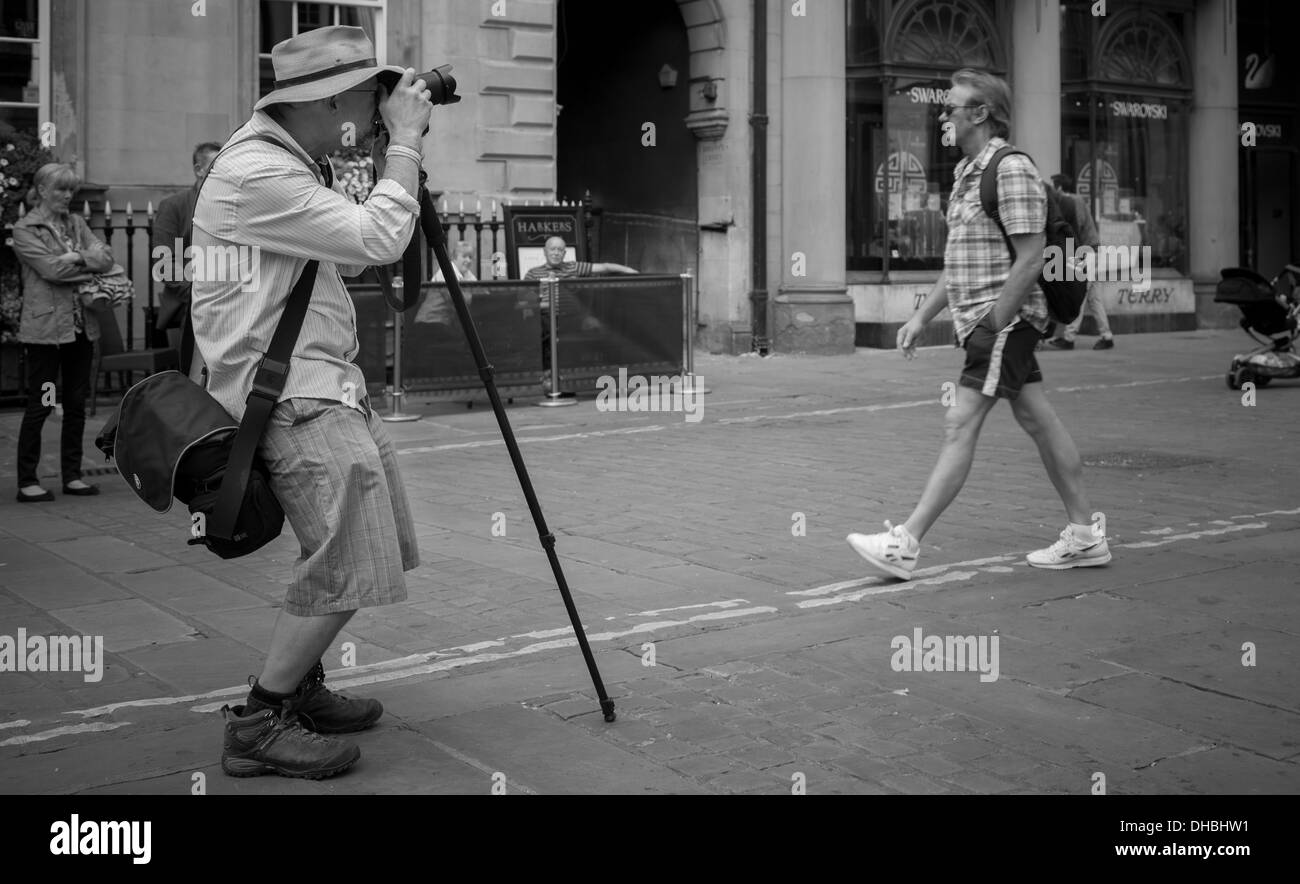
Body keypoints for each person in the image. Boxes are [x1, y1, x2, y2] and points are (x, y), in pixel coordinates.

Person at [191, 25, 433, 778]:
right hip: (294, 395)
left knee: (363, 546)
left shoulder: (288, 162)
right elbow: (380, 235)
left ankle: (302, 685)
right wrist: (408, 142)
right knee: (347, 555)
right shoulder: (259, 173)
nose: (377, 107)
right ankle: (259, 719)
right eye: (369, 95)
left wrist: (405, 145)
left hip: (321, 386)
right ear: (327, 100)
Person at [846, 68, 1110, 578]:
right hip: (985, 322)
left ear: (981, 113)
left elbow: (1032, 258)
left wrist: (994, 323)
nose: (943, 114)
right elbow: (960, 262)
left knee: (959, 423)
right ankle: (1084, 534)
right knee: (1038, 419)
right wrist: (923, 315)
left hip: (1004, 322)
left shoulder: (1009, 170)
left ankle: (905, 542)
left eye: (952, 106)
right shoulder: (968, 173)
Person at [12, 163, 118, 502]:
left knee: (75, 403)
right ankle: (28, 480)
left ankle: (72, 475)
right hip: (45, 333)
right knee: (42, 403)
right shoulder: (26, 229)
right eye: (61, 189)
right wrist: (84, 261)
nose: (68, 196)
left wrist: (76, 258)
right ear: (42, 189)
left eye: (71, 189)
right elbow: (51, 270)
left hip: (80, 329)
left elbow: (108, 259)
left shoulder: (76, 222)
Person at [152, 141, 222, 374]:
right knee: (192, 379)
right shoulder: (173, 206)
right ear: (198, 169)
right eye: (215, 165)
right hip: (187, 307)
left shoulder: (230, 204)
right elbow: (163, 264)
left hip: (229, 305)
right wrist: (199, 293)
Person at [1044, 173, 1113, 351]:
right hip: (1092, 249)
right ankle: (1106, 336)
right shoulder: (1076, 200)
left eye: (1053, 186)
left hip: (1086, 251)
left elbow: (1075, 228)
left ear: (1058, 187)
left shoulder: (1073, 201)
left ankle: (1068, 338)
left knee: (1079, 293)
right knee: (1094, 297)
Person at [523, 235, 637, 281]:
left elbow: (605, 267)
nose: (556, 253)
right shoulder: (533, 273)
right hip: (544, 318)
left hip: (572, 319)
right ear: (545, 251)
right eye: (552, 249)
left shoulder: (574, 266)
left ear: (564, 253)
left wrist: (630, 271)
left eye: (560, 250)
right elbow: (522, 300)